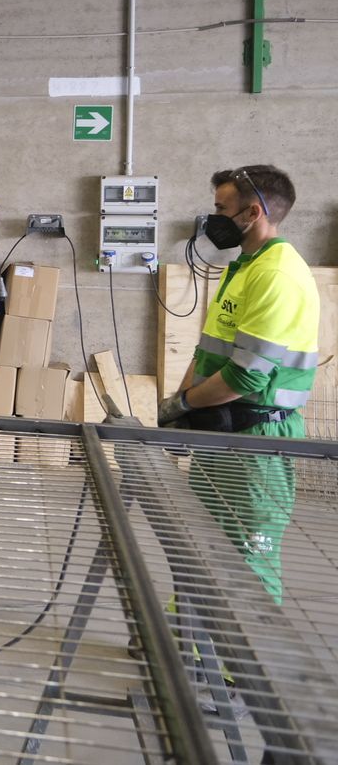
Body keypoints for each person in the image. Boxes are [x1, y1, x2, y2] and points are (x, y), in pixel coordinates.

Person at [159, 166, 315, 605]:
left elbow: (246, 375)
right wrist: (180, 405)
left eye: (221, 209)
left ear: (252, 212)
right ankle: (185, 637)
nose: (213, 220)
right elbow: (208, 352)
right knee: (202, 545)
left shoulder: (277, 275)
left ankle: (238, 672)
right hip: (223, 432)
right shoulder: (245, 266)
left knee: (249, 554)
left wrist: (183, 405)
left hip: (256, 442)